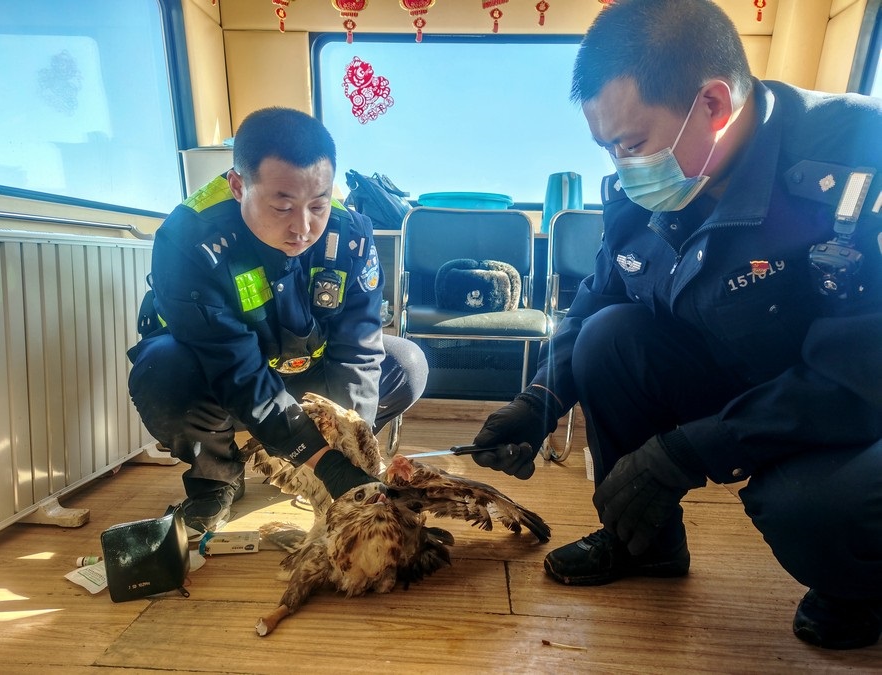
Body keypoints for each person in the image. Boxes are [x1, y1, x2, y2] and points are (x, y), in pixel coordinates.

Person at [471, 0, 882, 650]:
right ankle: (645, 543)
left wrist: (687, 453)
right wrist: (539, 400)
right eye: (607, 148)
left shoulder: (860, 157)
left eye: (631, 144)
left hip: (849, 405)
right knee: (608, 337)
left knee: (813, 507)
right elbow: (598, 298)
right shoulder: (645, 192)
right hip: (742, 373)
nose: (621, 166)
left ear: (712, 104)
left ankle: (855, 587)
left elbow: (860, 375)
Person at [128, 107, 428, 536]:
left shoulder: (351, 235)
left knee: (407, 364)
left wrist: (348, 446)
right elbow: (234, 370)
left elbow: (357, 350)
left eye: (318, 205)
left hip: (307, 370)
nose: (303, 228)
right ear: (238, 186)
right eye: (282, 206)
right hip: (223, 378)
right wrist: (322, 459)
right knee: (162, 370)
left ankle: (310, 460)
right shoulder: (189, 242)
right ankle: (217, 477)